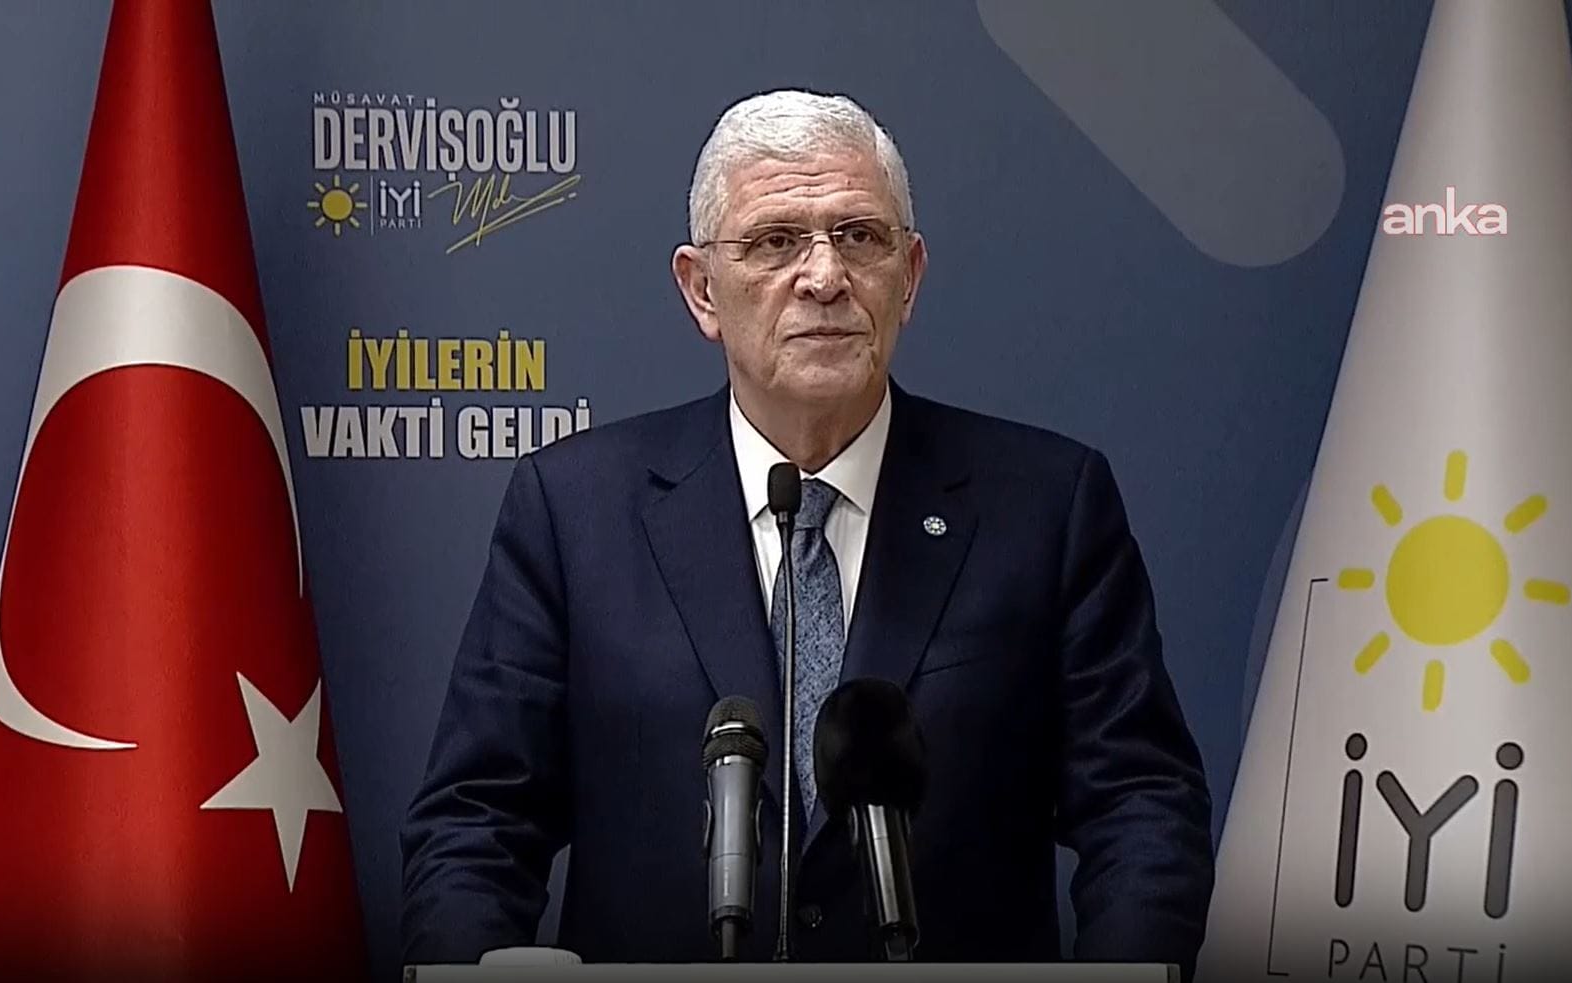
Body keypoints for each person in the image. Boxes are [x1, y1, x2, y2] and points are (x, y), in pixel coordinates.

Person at [400, 89, 1213, 967]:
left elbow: (1141, 804)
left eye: (858, 236)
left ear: (910, 276)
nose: (824, 277)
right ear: (702, 290)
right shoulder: (573, 510)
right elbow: (476, 821)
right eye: (775, 240)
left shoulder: (1047, 505)